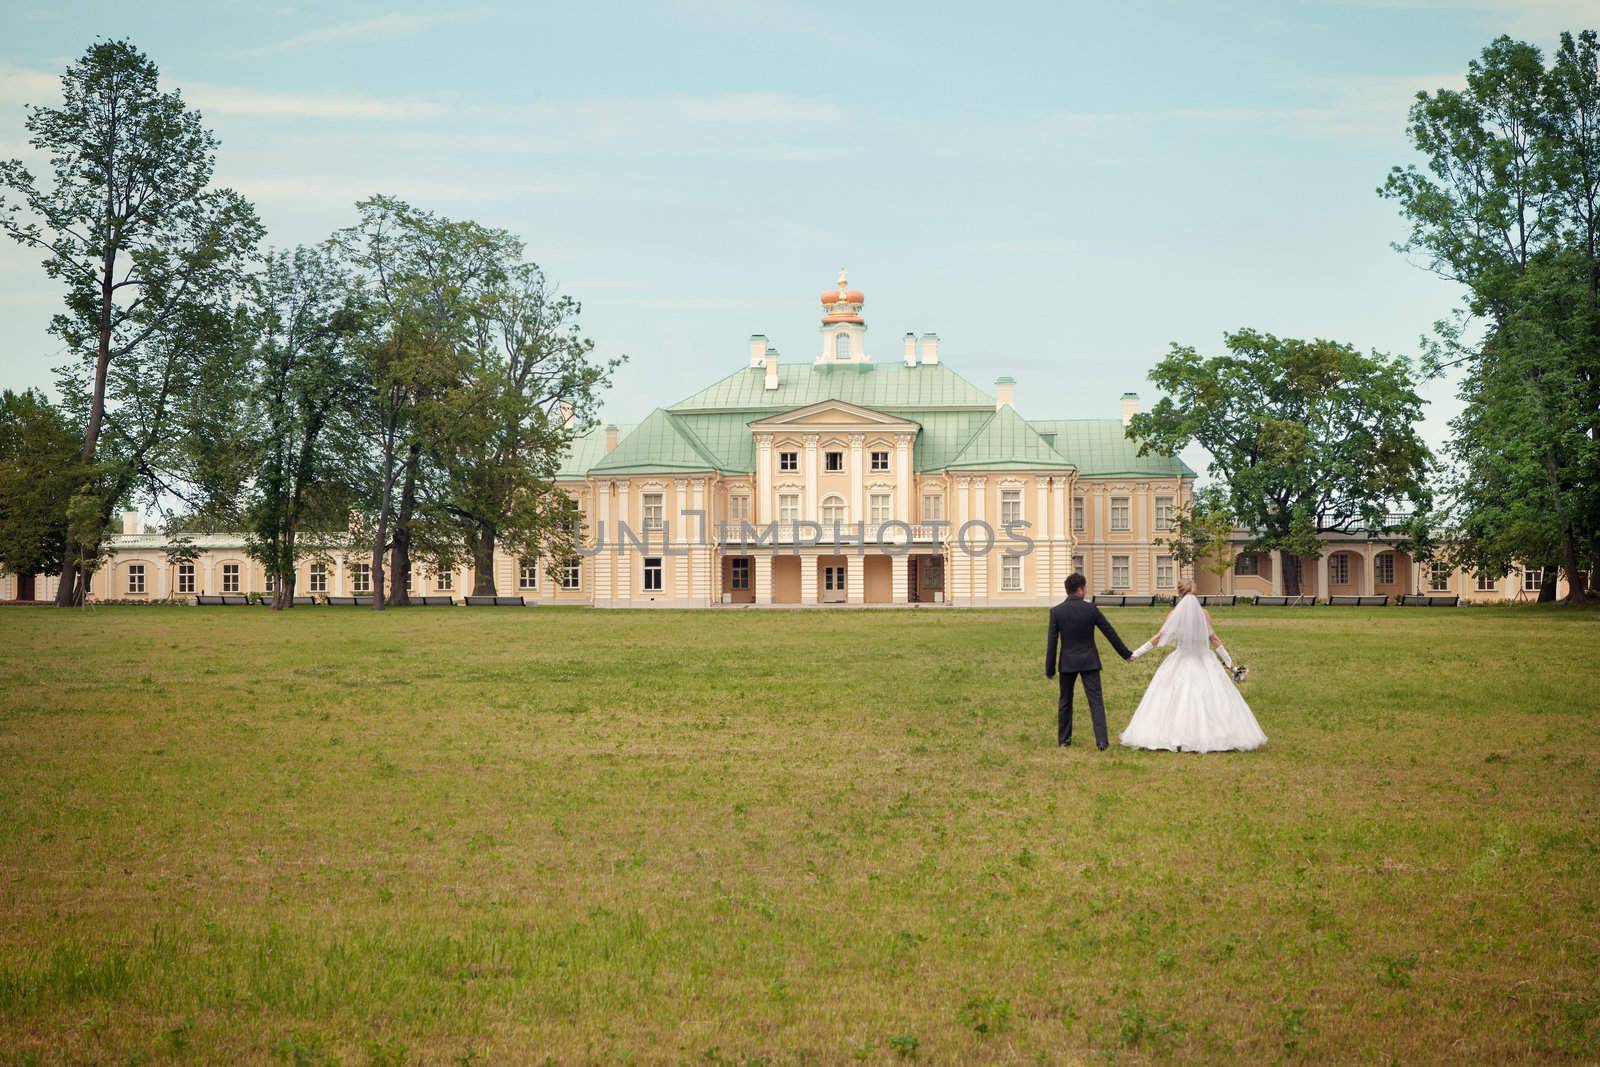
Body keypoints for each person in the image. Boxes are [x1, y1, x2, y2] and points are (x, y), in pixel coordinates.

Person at [1120, 583, 1267, 752]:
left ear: (1179, 595)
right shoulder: (1203, 614)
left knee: (1171, 697)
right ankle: (1212, 734)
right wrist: (1230, 664)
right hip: (1204, 659)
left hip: (1180, 658)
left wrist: (1136, 653)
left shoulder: (1174, 615)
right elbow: (1214, 640)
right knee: (1212, 698)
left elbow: (1158, 637)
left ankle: (1174, 735)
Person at [1044, 573, 1133, 750]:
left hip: (1067, 662)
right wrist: (1125, 654)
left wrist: (1050, 669)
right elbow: (1109, 632)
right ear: (1080, 589)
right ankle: (1101, 741)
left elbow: (1052, 642)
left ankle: (1064, 739)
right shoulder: (1091, 609)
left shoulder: (1056, 612)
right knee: (1096, 701)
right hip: (1089, 661)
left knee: (1065, 701)